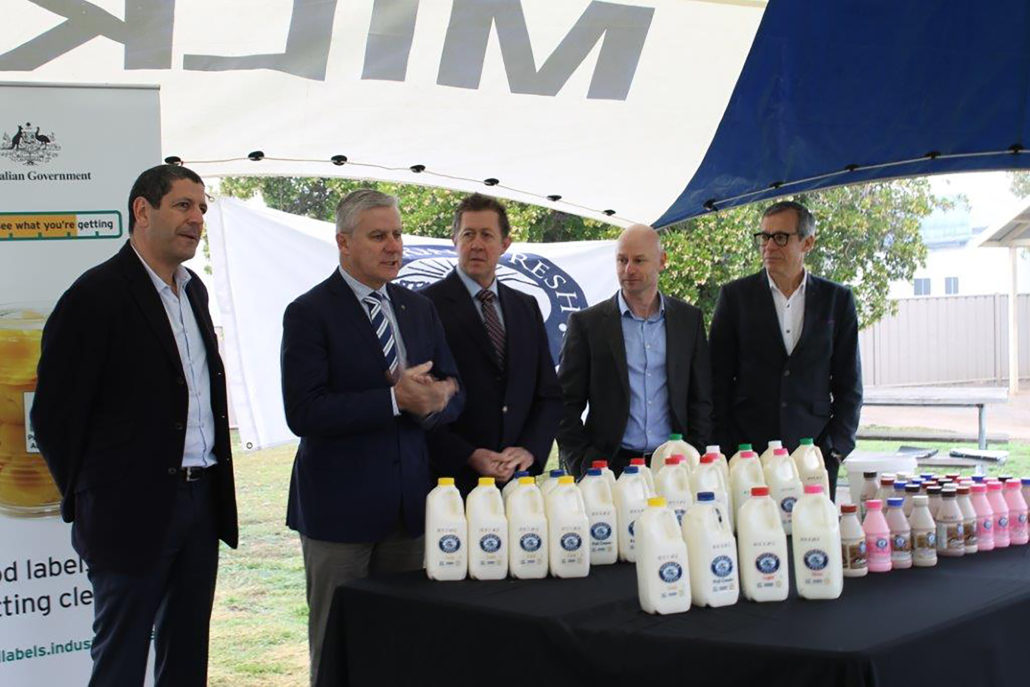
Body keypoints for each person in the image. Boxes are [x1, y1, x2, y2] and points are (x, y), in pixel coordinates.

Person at [31, 164, 238, 687]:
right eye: (184, 206)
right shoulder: (96, 295)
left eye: (203, 209)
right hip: (128, 514)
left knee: (186, 656)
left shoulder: (194, 292)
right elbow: (55, 417)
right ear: (142, 211)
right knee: (120, 661)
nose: (197, 219)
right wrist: (95, 496)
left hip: (200, 501)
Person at [280, 189, 463, 685]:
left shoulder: (418, 308)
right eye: (378, 235)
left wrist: (440, 396)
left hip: (409, 511)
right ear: (343, 242)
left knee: (403, 646)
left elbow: (453, 388)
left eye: (398, 234)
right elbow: (304, 411)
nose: (393, 246)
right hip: (340, 515)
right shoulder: (309, 312)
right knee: (339, 646)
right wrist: (393, 400)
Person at [709, 200, 862, 499]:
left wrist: (835, 451)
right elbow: (716, 383)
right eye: (764, 237)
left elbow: (849, 385)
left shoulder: (837, 300)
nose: (769, 246)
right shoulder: (734, 298)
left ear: (808, 242)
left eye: (780, 237)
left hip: (814, 457)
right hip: (747, 457)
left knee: (814, 541)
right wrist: (726, 451)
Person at [421, 194, 562, 495]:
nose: (476, 244)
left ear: (505, 244)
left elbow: (548, 394)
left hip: (517, 482)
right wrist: (467, 455)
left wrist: (529, 450)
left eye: (487, 235)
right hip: (449, 484)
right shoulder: (424, 306)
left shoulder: (526, 307)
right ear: (454, 240)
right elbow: (419, 403)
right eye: (468, 234)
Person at [557, 224, 713, 476]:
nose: (628, 269)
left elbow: (701, 398)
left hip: (675, 464)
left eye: (639, 260)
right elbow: (565, 404)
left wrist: (695, 449)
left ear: (662, 261)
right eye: (622, 260)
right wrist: (581, 463)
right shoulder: (588, 324)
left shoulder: (688, 320)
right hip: (609, 465)